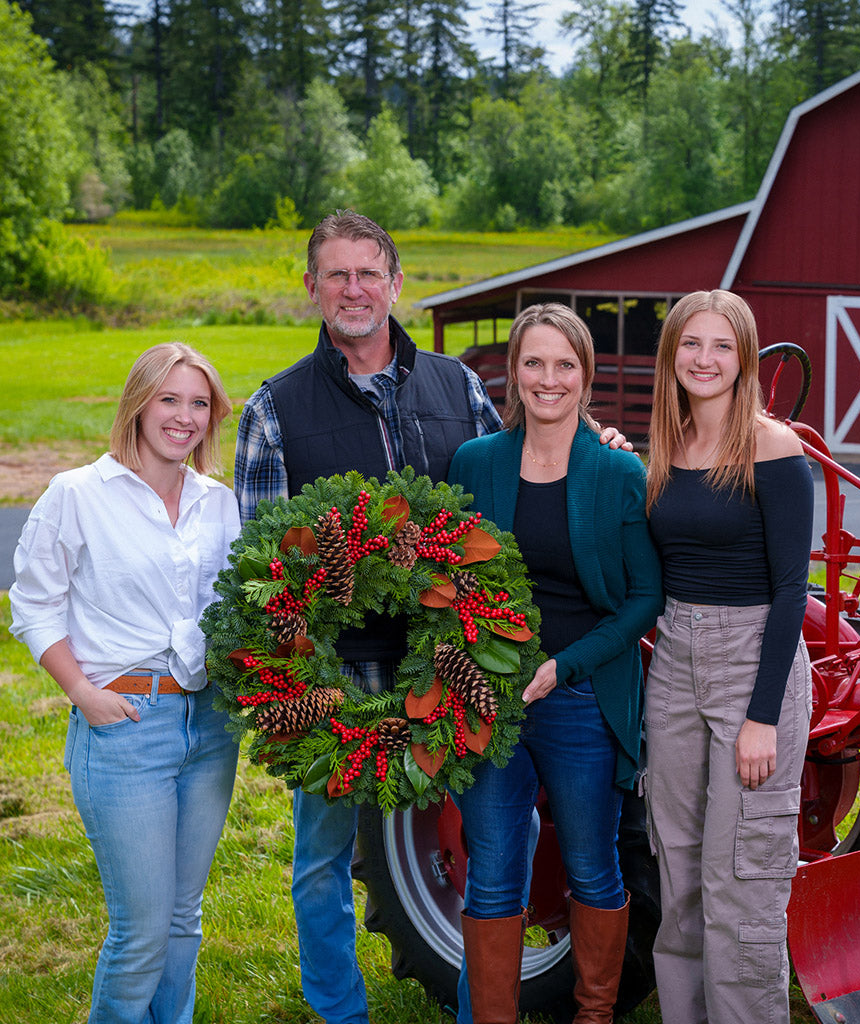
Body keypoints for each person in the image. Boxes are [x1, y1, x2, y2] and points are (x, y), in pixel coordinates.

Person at [234, 212, 630, 1024]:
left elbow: (522, 463)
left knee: (488, 843)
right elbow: (271, 581)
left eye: (368, 273)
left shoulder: (456, 387)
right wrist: (308, 686)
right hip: (340, 684)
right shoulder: (274, 411)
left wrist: (596, 438)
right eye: (336, 274)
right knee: (322, 857)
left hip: (454, 672)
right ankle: (340, 1011)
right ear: (311, 287)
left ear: (396, 284)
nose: (354, 289)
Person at [9, 343, 241, 1024]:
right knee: (140, 932)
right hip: (127, 725)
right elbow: (34, 603)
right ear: (138, 404)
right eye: (169, 399)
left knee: (182, 920)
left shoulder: (218, 503)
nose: (184, 416)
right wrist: (82, 692)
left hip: (210, 725)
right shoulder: (79, 493)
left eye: (199, 403)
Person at [447, 302, 663, 1024]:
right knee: (494, 872)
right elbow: (452, 584)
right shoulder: (475, 464)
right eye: (533, 363)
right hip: (493, 701)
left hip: (579, 696)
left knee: (594, 866)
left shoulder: (616, 472)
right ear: (512, 373)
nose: (549, 378)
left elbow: (641, 602)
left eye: (564, 364)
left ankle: (595, 1016)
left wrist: (564, 666)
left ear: (586, 375)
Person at [642, 290, 813, 1024]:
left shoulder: (774, 447)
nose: (703, 360)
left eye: (720, 346)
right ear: (671, 354)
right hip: (675, 656)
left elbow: (791, 588)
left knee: (742, 875)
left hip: (753, 655)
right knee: (678, 870)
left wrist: (762, 716)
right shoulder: (664, 447)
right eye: (690, 344)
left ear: (744, 357)